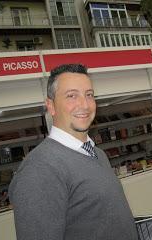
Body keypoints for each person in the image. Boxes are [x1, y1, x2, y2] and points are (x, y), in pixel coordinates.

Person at [9, 64, 138, 240]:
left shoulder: (97, 154)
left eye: (89, 95)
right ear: (51, 106)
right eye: (71, 96)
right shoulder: (39, 169)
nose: (84, 105)